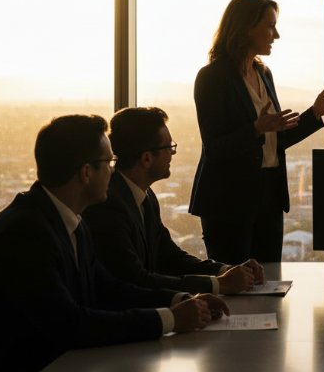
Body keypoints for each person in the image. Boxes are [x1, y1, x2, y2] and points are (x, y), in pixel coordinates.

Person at [0, 115, 227, 372]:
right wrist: (170, 318)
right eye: (109, 162)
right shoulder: (27, 233)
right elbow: (70, 325)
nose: (114, 171)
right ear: (86, 172)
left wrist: (181, 299)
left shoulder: (66, 219)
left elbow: (108, 288)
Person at [189, 0, 324, 264]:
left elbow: (275, 140)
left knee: (269, 282)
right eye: (270, 26)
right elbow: (215, 148)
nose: (275, 35)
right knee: (237, 289)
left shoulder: (264, 74)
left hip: (268, 197)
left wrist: (315, 114)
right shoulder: (212, 78)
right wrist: (255, 129)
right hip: (229, 202)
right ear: (245, 27)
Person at [85, 107, 265, 295]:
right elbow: (135, 279)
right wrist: (219, 285)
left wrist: (224, 270)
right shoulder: (108, 206)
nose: (173, 153)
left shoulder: (144, 196)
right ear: (146, 158)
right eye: (169, 147)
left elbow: (169, 256)